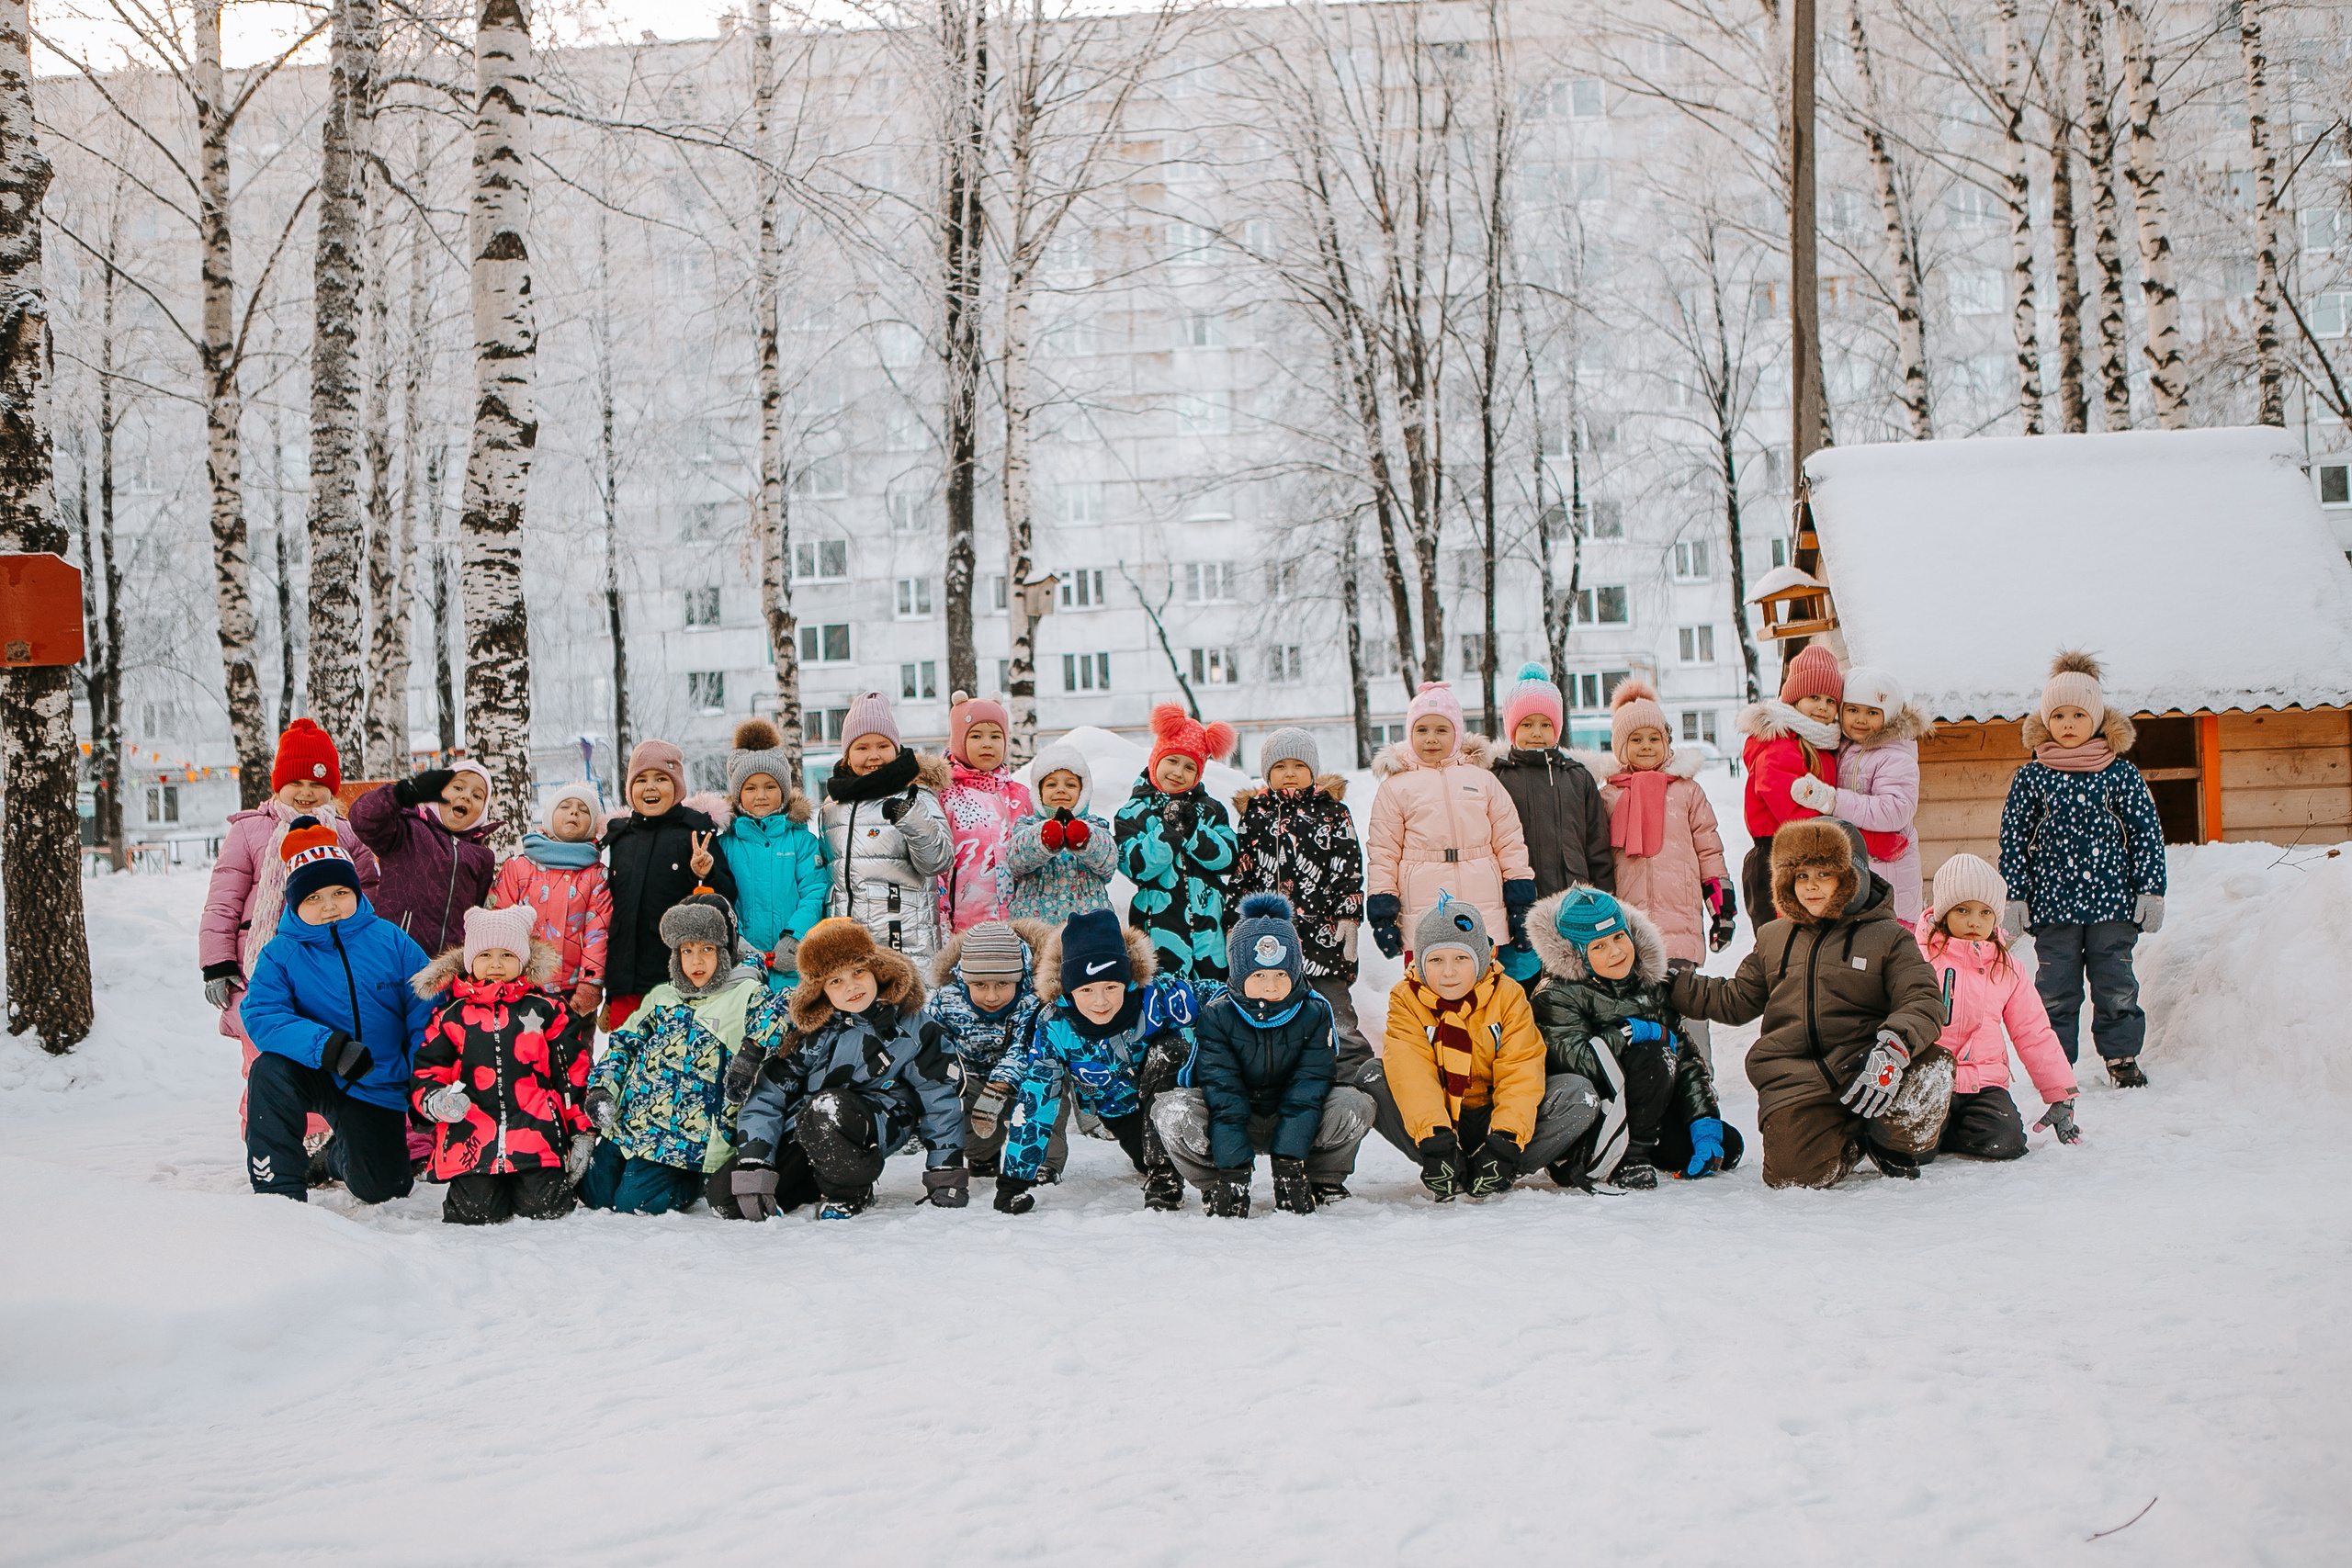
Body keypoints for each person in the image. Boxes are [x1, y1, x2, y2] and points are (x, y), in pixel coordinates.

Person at [1671, 818, 1952, 1189]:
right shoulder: (1773, 937)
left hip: (1866, 1065)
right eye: (1801, 875)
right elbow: (1735, 999)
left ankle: (1891, 1145)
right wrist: (1672, 984)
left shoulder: (1889, 937)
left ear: (1853, 875)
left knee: (1931, 1064)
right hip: (1797, 1082)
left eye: (1824, 873)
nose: (1811, 885)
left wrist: (1894, 1047)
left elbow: (1922, 997)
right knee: (1791, 1179)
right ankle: (1850, 1141)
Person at [199, 718, 380, 1143]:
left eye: (317, 784)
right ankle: (270, 1144)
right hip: (259, 969)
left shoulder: (346, 835)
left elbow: (369, 897)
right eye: (295, 782)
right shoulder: (249, 830)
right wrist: (217, 963)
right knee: (264, 1058)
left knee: (318, 1054)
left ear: (332, 788)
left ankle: (317, 1141)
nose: (305, 792)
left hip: (325, 972)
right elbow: (223, 900)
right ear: (278, 783)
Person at [714, 917, 967, 1220]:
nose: (851, 986)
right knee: (726, 1197)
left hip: (877, 1120)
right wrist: (755, 1165)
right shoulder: (810, 1031)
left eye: (858, 971)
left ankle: (850, 1189)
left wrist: (946, 1175)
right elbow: (768, 1097)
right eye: (836, 981)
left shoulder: (911, 1025)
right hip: (812, 1126)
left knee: (827, 1108)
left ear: (875, 969)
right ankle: (819, 1180)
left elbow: (940, 1098)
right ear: (821, 989)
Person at [238, 818, 435, 1203]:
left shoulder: (392, 941)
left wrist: (422, 1077)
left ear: (356, 891)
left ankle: (334, 1159)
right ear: (295, 903)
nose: (329, 906)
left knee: (385, 1188)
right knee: (269, 1071)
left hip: (376, 1081)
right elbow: (263, 1014)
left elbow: (426, 1011)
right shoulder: (280, 953)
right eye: (313, 898)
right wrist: (330, 1048)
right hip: (317, 1070)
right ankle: (277, 1191)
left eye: (340, 893)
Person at [1997, 650, 2166, 1089]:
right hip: (2053, 906)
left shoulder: (2120, 774)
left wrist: (2151, 889)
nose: (2068, 724)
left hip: (2113, 904)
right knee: (2055, 990)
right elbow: (2014, 840)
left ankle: (2122, 1056)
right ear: (2045, 721)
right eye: (2058, 715)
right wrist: (2015, 895)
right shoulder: (2032, 778)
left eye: (2078, 715)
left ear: (2097, 719)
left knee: (2116, 984)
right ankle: (2054, 1065)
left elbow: (2146, 833)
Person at [1150, 894, 1375, 1215]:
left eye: (1281, 975)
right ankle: (1216, 1182)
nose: (1271, 987)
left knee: (1354, 1104)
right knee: (1172, 1111)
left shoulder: (1314, 1013)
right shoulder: (1218, 1015)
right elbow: (1223, 1094)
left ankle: (1318, 1177)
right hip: (1233, 1118)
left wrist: (1288, 1163)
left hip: (1295, 1117)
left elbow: (1308, 1089)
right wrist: (1233, 1169)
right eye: (1259, 975)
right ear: (1240, 975)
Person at [1366, 896, 1602, 1200]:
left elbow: (1520, 1069)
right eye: (1436, 960)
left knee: (1577, 1094)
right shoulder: (1407, 998)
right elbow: (1411, 1071)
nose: (1449, 972)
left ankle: (1498, 1167)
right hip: (1444, 1118)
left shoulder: (1508, 996)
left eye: (1461, 958)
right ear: (1420, 963)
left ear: (1480, 958)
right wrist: (1435, 1141)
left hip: (1494, 1113)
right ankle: (1446, 1164)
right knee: (1373, 1076)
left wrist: (1504, 1143)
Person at [972, 908, 1198, 1213]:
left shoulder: (1157, 998)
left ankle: (1166, 1177)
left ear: (1127, 981)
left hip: (1165, 1103)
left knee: (1172, 1049)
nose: (1100, 1001)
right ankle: (1152, 1162)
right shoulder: (1055, 1025)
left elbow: (1222, 1000)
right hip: (1120, 1112)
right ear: (1069, 987)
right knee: (1143, 1157)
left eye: (1111, 987)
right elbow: (1037, 1100)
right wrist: (1013, 1182)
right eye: (1087, 989)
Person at [1525, 885, 1744, 1189]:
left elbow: (1684, 1056)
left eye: (1619, 937)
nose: (1615, 952)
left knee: (1728, 1145)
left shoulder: (1649, 983)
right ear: (1578, 954)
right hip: (1600, 1113)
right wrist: (1627, 1033)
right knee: (1653, 1050)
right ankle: (1629, 1157)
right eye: (1599, 946)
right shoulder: (1557, 994)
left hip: (1647, 1107)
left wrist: (1703, 1119)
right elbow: (1576, 1063)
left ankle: (1644, 1141)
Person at [580, 892, 783, 1215]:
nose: (696, 961)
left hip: (685, 1140)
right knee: (594, 1195)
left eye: (707, 949)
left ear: (726, 949)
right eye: (687, 950)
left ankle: (692, 1181)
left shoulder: (747, 993)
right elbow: (624, 1043)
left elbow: (781, 1014)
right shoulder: (664, 995)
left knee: (633, 1204)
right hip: (632, 1122)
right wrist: (603, 1088)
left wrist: (749, 1054)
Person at [1577, 678, 1734, 1066]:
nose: (1646, 746)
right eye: (1636, 740)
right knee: (1640, 1008)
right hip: (1628, 928)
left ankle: (1699, 1075)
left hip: (1679, 920)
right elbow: (1597, 857)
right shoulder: (1607, 796)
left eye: (1654, 738)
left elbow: (1709, 849)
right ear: (1620, 747)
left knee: (1687, 1003)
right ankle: (1654, 1079)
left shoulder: (1687, 792)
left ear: (1667, 743)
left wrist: (1722, 910)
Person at [408, 905, 593, 1224]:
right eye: (485, 955)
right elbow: (428, 1070)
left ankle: (526, 1185)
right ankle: (489, 1187)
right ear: (470, 961)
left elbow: (571, 1074)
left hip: (536, 1133)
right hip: (472, 1135)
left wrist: (581, 1131)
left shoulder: (548, 1010)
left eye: (507, 955)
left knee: (545, 1207)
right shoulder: (451, 1016)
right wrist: (435, 1100)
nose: (495, 964)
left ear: (523, 960)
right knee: (474, 1212)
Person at [1917, 853, 2083, 1158]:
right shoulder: (1920, 957)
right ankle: (1934, 1134)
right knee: (1913, 1151)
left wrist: (2060, 1093)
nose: (1974, 921)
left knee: (2006, 1142)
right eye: (1962, 910)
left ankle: (1951, 1131)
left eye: (1985, 912)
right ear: (1943, 913)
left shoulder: (2007, 968)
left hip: (1983, 1082)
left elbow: (2033, 1031)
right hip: (1930, 1077)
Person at [1364, 681, 1536, 971]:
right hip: (1424, 904)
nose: (1431, 739)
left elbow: (1509, 841)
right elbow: (1383, 853)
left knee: (1484, 981)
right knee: (1428, 981)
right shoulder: (1395, 788)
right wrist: (1383, 910)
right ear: (1409, 733)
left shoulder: (1482, 780)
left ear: (1457, 734)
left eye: (1441, 730)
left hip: (1482, 900)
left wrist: (1521, 901)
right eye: (1422, 730)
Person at [1229, 727, 1369, 1064]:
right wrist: (1234, 925)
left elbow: (1347, 871)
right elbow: (1242, 876)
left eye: (1299, 765)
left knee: (1336, 1014)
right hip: (1269, 941)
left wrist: (1348, 917)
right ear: (1267, 773)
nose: (1290, 773)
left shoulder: (1333, 812)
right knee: (1272, 1014)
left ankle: (1353, 1071)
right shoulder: (1255, 815)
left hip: (1323, 939)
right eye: (1280, 766)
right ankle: (1280, 1075)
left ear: (1313, 770)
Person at [600, 739, 739, 1031]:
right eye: (641, 780)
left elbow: (728, 897)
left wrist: (706, 874)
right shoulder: (620, 838)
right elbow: (614, 913)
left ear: (677, 785)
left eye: (661, 779)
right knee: (623, 1054)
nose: (650, 787)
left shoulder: (695, 830)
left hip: (677, 983)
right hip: (626, 984)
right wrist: (611, 994)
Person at [818, 690, 956, 964]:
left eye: (882, 746)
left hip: (906, 943)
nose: (873, 756)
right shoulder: (832, 806)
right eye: (862, 748)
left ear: (896, 748)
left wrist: (911, 818)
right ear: (847, 755)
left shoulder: (916, 795)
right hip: (849, 947)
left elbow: (939, 861)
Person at [922, 919, 1061, 1180]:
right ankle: (983, 1154)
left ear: (1020, 977)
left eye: (1002, 984)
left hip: (1025, 1081)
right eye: (980, 985)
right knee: (950, 1100)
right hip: (973, 1081)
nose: (991, 996)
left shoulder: (1035, 1000)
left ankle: (1043, 1162)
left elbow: (1026, 1046)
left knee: (1048, 1086)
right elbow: (931, 1045)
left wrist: (999, 1087)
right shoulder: (948, 1001)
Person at [1791, 666, 1929, 927]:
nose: (1861, 720)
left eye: (1872, 712)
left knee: (1887, 947)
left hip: (1889, 890)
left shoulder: (1895, 755)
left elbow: (1894, 810)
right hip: (1855, 880)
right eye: (1853, 710)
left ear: (1890, 715)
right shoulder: (1843, 748)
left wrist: (1834, 801)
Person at [1114, 703, 1240, 984]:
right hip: (1158, 927)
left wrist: (1193, 831)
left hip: (1211, 929)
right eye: (1172, 760)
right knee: (1165, 995)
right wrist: (1168, 829)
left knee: (1214, 993)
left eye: (1189, 766)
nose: (1178, 772)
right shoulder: (1133, 812)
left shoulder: (1210, 810)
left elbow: (1230, 858)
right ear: (1156, 758)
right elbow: (1135, 866)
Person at [1489, 664, 1615, 940]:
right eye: (1527, 724)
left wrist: (1605, 901)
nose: (1537, 732)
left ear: (1557, 729)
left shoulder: (1578, 778)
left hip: (1574, 902)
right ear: (1512, 728)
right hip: (1518, 907)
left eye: (1545, 724)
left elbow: (1597, 847)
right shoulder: (1497, 778)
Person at [709, 717, 826, 991]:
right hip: (741, 970)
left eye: (770, 786)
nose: (760, 795)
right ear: (737, 794)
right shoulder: (724, 844)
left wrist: (795, 938)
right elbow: (719, 898)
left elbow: (815, 892)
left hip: (794, 968)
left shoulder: (802, 841)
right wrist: (736, 941)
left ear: (783, 791)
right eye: (750, 788)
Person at [1735, 643, 1843, 934]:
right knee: (1781, 946)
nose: (1823, 706)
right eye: (1813, 697)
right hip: (1777, 859)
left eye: (1831, 700)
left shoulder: (1822, 744)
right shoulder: (1780, 746)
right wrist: (1843, 829)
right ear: (1794, 699)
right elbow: (1791, 810)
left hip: (1809, 856)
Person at [349, 759, 499, 958]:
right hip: (394, 951)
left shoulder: (482, 857)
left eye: (477, 795)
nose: (466, 796)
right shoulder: (407, 829)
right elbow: (363, 818)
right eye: (457, 787)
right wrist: (401, 794)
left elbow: (477, 912)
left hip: (446, 964)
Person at [488, 782, 611, 1022]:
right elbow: (498, 922)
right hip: (520, 986)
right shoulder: (518, 868)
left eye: (583, 810)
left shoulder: (597, 876)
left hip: (573, 993)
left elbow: (599, 932)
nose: (574, 812)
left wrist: (591, 984)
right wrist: (500, 973)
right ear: (548, 816)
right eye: (565, 807)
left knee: (574, 1047)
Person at [936, 692, 1035, 932]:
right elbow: (935, 865)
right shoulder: (945, 795)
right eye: (976, 736)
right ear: (959, 740)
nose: (987, 743)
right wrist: (941, 920)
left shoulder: (1020, 796)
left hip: (1017, 924)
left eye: (996, 736)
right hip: (965, 927)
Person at [1007, 740, 1117, 926]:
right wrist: (1043, 839)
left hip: (1088, 922)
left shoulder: (1095, 825)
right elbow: (1015, 863)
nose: (1061, 790)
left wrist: (1085, 839)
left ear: (1083, 791)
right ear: (1039, 792)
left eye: (1070, 785)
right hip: (1036, 924)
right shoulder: (1027, 825)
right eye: (1051, 784)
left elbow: (1108, 865)